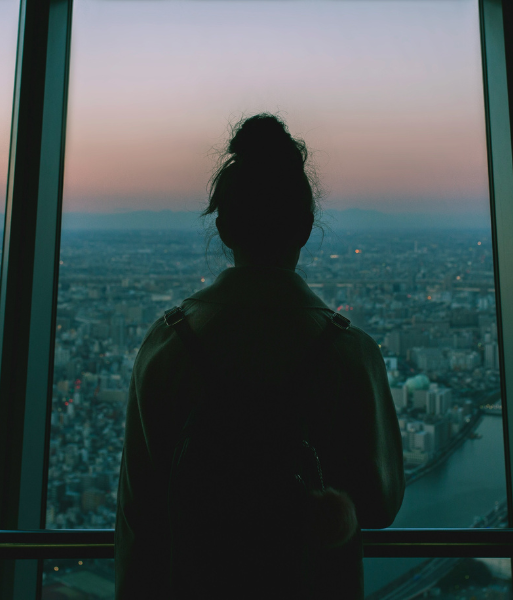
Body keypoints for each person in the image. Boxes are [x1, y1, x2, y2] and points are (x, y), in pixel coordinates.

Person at [115, 114, 405, 599]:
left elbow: (139, 516)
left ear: (225, 228)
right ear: (306, 228)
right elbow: (380, 505)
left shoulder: (167, 346)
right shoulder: (350, 354)